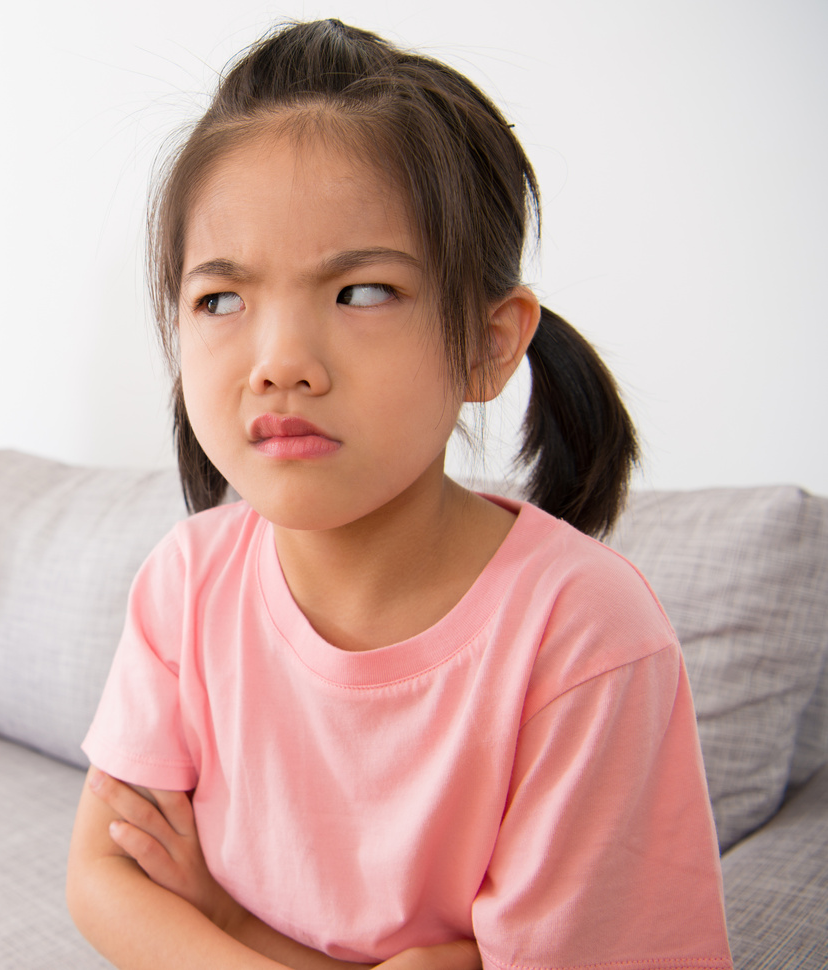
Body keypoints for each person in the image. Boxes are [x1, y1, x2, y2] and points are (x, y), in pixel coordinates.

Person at [67, 20, 730, 970]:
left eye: (363, 292)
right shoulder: (186, 581)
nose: (279, 363)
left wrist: (224, 919)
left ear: (488, 343)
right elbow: (104, 877)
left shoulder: (585, 632)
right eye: (221, 300)